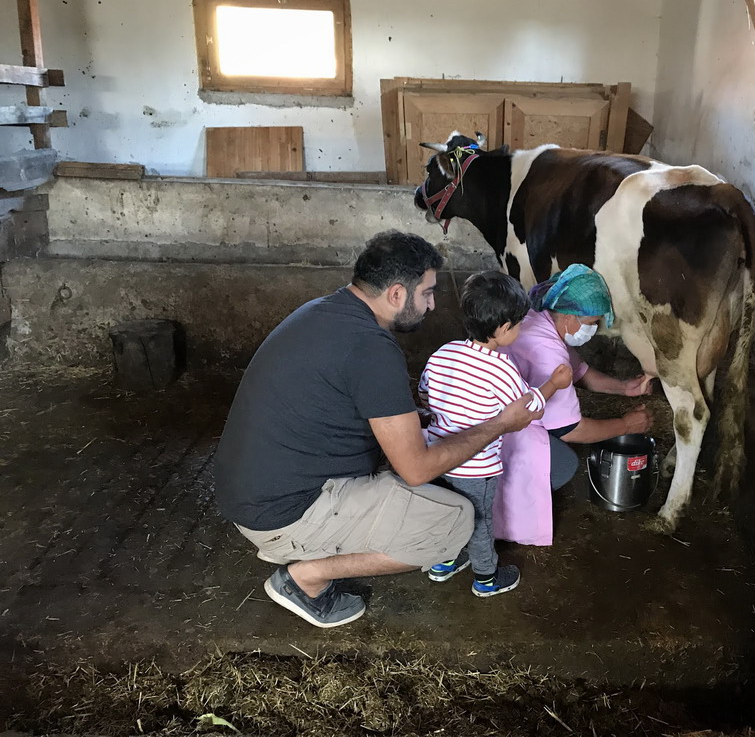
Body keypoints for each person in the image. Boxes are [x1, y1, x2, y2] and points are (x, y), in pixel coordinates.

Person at [213, 231, 541, 629]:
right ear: (397, 294)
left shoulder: (323, 311)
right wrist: (501, 423)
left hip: (250, 495)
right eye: (427, 293)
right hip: (284, 513)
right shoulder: (372, 348)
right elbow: (416, 469)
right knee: (455, 521)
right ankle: (306, 577)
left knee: (408, 467)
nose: (432, 305)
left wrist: (416, 417)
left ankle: (298, 546)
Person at [418, 271, 573, 598]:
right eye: (518, 323)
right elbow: (529, 409)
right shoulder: (500, 368)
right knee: (480, 521)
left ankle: (443, 563)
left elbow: (424, 394)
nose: (521, 328)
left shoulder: (443, 353)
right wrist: (554, 384)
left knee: (447, 513)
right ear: (503, 329)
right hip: (477, 468)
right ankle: (486, 578)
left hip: (439, 458)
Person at [493, 263, 654, 546]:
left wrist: (623, 388)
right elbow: (571, 429)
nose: (593, 330)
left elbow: (580, 371)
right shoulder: (548, 352)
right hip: (501, 429)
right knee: (564, 464)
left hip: (491, 412)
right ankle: (502, 501)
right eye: (591, 322)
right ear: (568, 317)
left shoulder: (539, 318)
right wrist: (627, 425)